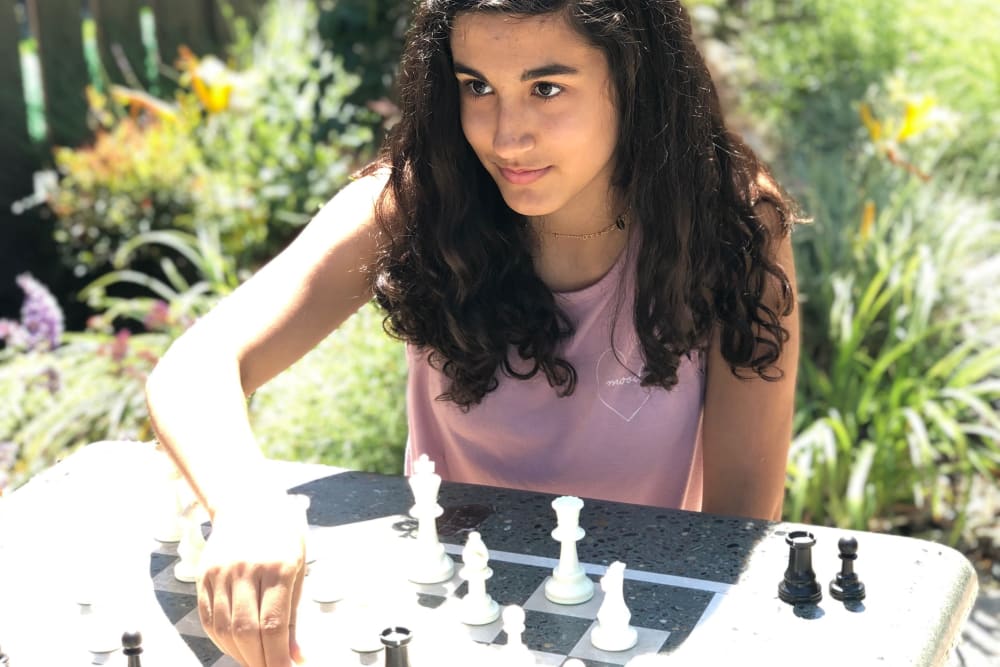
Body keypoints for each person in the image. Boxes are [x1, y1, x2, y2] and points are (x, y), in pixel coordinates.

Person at [144, 0, 801, 665]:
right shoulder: (415, 205)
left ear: (636, 78)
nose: (506, 136)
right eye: (477, 86)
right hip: (441, 623)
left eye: (547, 89)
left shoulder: (736, 227)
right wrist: (248, 506)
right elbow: (195, 365)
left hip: (637, 630)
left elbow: (739, 526)